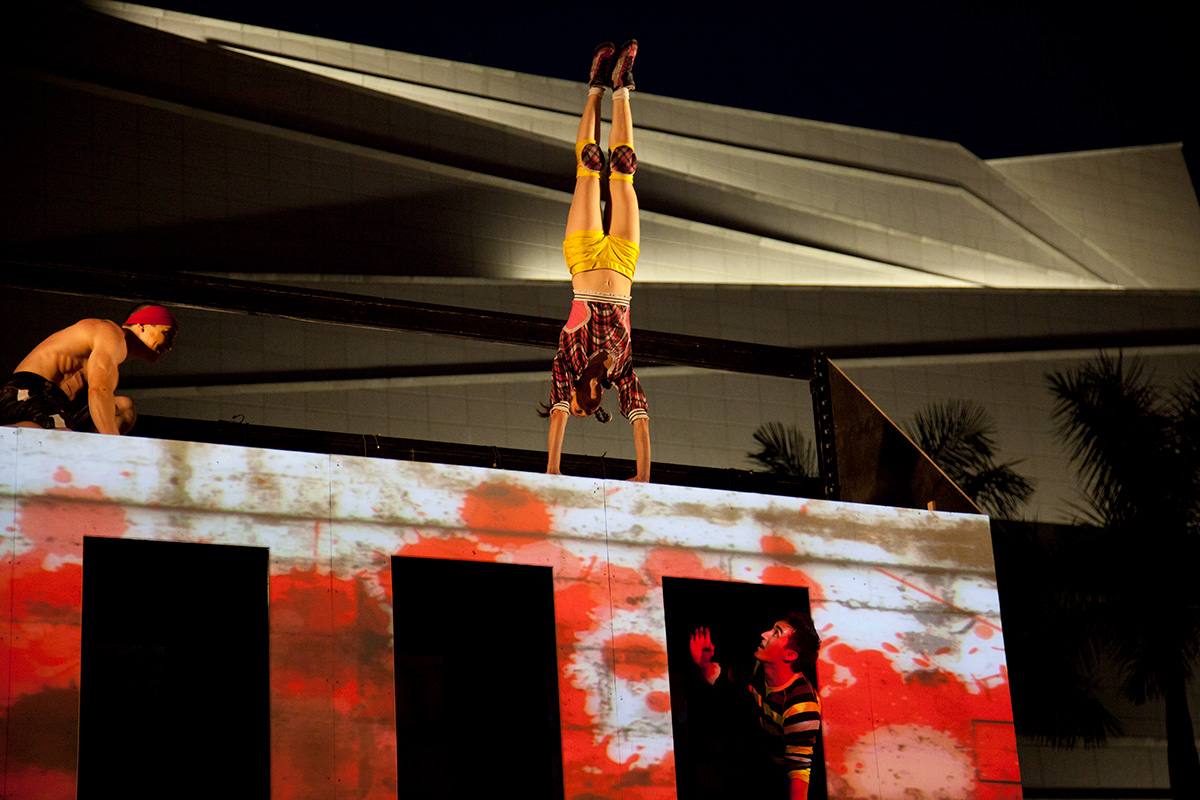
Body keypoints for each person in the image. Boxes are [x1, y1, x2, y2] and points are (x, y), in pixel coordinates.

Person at [539, 40, 651, 482]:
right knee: (622, 169)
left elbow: (558, 415)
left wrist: (552, 468)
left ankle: (595, 87)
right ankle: (622, 87)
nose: (584, 410)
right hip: (623, 265)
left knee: (589, 166)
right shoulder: (620, 370)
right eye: (591, 411)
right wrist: (643, 475)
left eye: (578, 411)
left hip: (585, 260)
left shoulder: (567, 359)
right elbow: (640, 419)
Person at [690, 613, 822, 800]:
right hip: (760, 761)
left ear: (790, 655)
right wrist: (703, 662)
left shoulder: (801, 706)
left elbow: (799, 772)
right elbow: (719, 678)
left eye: (775, 633)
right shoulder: (757, 668)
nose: (764, 633)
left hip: (784, 776)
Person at [0, 304, 178, 434]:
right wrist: (115, 446)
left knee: (123, 408)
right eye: (167, 334)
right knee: (61, 436)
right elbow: (99, 390)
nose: (170, 346)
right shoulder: (110, 334)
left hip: (56, 403)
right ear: (142, 326)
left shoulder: (113, 354)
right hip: (26, 391)